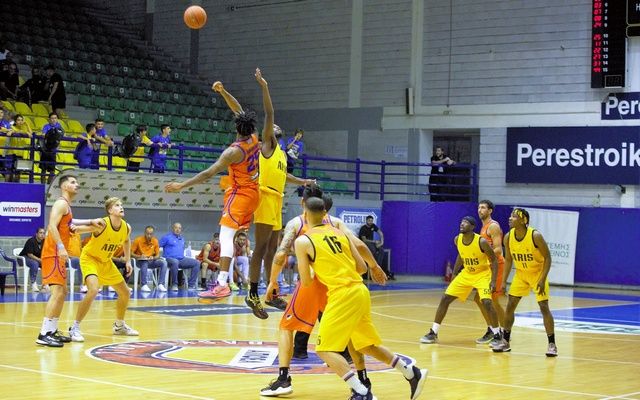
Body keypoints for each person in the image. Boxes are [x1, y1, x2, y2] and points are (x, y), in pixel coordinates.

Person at [294, 196, 427, 400]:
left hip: (342, 295)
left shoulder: (303, 241)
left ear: (304, 212)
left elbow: (306, 281)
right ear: (325, 213)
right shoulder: (340, 233)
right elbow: (362, 267)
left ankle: (361, 392)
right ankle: (411, 372)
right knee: (365, 345)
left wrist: (315, 269)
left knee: (324, 349)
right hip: (360, 291)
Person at [260, 186, 388, 396]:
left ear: (303, 203)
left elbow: (281, 254)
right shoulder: (335, 223)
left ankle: (283, 379)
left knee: (286, 326)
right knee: (350, 331)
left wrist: (273, 282)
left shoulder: (296, 223)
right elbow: (359, 245)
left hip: (312, 282)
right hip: (336, 285)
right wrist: (374, 266)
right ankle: (363, 379)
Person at [210, 68, 313, 318]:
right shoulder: (265, 144)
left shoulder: (281, 155)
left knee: (273, 250)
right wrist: (262, 86)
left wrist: (303, 180)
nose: (272, 125)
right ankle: (253, 294)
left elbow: (283, 176)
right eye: (271, 126)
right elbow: (263, 113)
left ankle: (271, 291)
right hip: (264, 196)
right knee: (261, 248)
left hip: (277, 199)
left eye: (275, 127)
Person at [165, 68, 262, 304]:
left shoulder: (233, 151)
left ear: (236, 128)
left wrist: (181, 185)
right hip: (253, 193)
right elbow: (238, 109)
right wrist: (223, 92)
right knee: (232, 236)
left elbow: (208, 173)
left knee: (226, 237)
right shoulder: (254, 136)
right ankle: (225, 282)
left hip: (240, 194)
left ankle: (222, 284)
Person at [36, 174, 104, 347]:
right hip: (53, 252)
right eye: (73, 182)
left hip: (57, 253)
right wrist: (60, 247)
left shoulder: (66, 206)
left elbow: (71, 223)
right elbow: (51, 226)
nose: (77, 184)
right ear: (64, 186)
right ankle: (43, 334)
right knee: (57, 293)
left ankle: (52, 330)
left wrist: (91, 222)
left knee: (63, 292)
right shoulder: (60, 203)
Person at [420, 216, 504, 348]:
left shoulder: (481, 241)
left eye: (466, 223)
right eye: (461, 222)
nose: (462, 224)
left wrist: (493, 281)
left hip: (482, 274)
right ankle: (433, 332)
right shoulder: (457, 239)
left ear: (472, 227)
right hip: (467, 273)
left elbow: (494, 260)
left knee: (487, 302)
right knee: (445, 298)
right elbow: (461, 254)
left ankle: (498, 335)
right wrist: (454, 274)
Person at [68, 197, 139, 342]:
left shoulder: (126, 227)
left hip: (106, 262)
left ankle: (119, 326)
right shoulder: (102, 224)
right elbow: (82, 229)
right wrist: (75, 228)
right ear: (110, 210)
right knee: (93, 289)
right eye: (117, 205)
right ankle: (74, 327)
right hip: (90, 259)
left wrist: (127, 261)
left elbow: (126, 241)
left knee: (125, 292)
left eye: (121, 205)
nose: (121, 207)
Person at [492, 208, 558, 357]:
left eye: (514, 216)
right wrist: (504, 281)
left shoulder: (535, 236)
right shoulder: (508, 237)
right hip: (521, 274)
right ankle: (505, 341)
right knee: (510, 306)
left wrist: (542, 279)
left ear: (523, 220)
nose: (510, 218)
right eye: (511, 216)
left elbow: (548, 257)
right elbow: (509, 260)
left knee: (543, 306)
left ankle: (552, 344)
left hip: (537, 274)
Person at [473, 199, 506, 344]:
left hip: (496, 266)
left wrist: (482, 254)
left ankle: (504, 331)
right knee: (478, 298)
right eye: (479, 207)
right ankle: (492, 329)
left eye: (483, 207)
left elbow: (498, 249)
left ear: (490, 211)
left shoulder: (493, 226)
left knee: (493, 300)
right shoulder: (483, 227)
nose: (480, 210)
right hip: (487, 266)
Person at [159, 222, 200, 290]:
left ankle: (191, 285)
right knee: (175, 262)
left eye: (179, 228)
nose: (178, 229)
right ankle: (174, 284)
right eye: (176, 227)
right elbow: (156, 246)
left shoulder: (182, 239)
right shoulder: (167, 237)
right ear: (173, 228)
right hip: (169, 259)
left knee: (197, 263)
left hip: (181, 259)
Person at [131, 225, 168, 292]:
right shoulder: (138, 240)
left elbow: (158, 255)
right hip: (140, 261)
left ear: (153, 234)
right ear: (144, 233)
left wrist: (153, 257)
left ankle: (160, 284)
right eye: (147, 234)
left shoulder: (155, 241)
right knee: (144, 262)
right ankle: (143, 285)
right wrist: (139, 256)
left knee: (164, 263)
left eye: (151, 234)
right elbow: (131, 253)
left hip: (151, 261)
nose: (149, 235)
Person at [40, 112, 64, 184]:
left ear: (57, 119)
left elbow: (62, 135)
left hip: (53, 150)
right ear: (49, 119)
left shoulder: (59, 126)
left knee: (52, 169)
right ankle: (42, 184)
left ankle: (49, 184)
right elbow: (43, 134)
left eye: (55, 118)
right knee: (43, 169)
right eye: (52, 118)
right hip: (45, 150)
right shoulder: (46, 126)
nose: (53, 120)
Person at [20, 227, 46, 292]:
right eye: (40, 233)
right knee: (35, 263)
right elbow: (30, 254)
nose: (42, 235)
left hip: (35, 259)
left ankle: (45, 284)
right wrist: (39, 260)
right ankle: (33, 283)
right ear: (36, 234)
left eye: (43, 233)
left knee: (46, 264)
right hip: (24, 258)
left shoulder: (44, 241)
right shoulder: (31, 241)